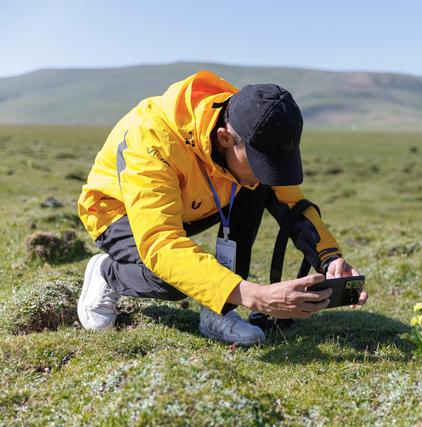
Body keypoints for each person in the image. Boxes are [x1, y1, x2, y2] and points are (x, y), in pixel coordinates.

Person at [76, 71, 368, 345]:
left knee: (256, 186)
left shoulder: (250, 120)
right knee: (175, 281)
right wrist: (253, 295)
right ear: (224, 138)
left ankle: (219, 311)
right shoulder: (152, 138)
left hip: (194, 203)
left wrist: (330, 259)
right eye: (258, 163)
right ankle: (107, 273)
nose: (263, 174)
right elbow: (161, 245)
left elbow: (290, 202)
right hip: (118, 211)